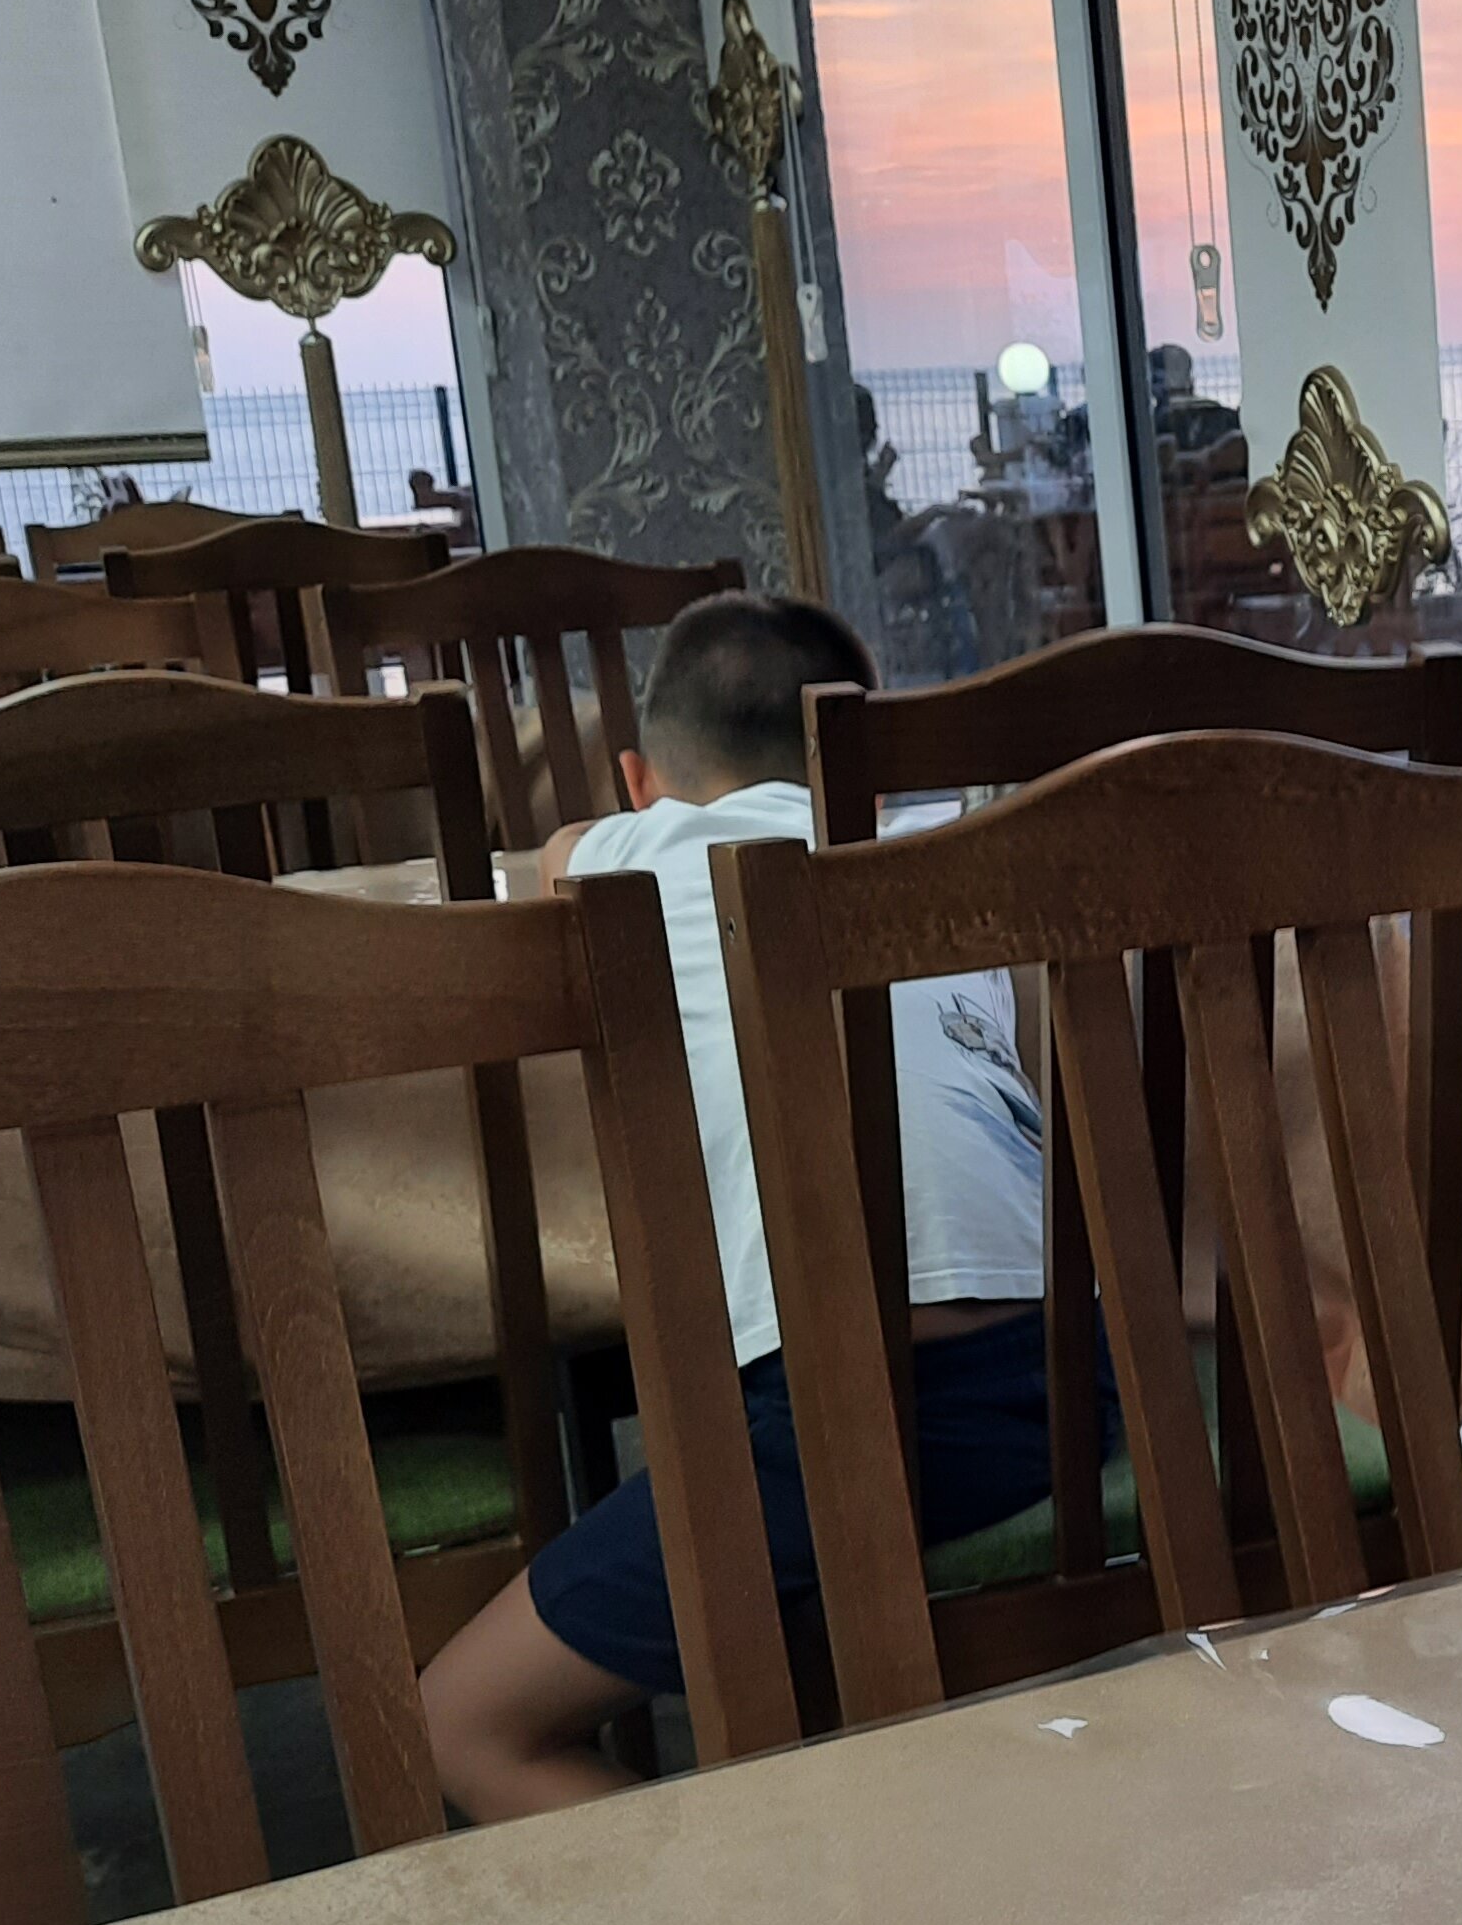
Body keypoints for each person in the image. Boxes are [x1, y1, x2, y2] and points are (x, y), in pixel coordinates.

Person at [421, 590, 1068, 1820]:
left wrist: (617, 822)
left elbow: (555, 855)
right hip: (1081, 1374)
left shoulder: (628, 857)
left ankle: (759, 1916)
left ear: (639, 780)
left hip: (852, 1423)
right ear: (866, 753)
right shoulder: (945, 850)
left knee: (458, 1722)